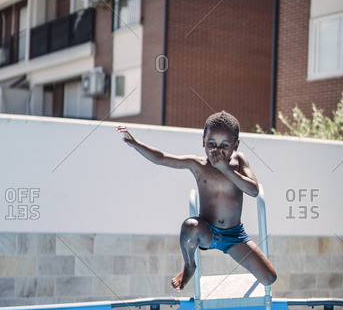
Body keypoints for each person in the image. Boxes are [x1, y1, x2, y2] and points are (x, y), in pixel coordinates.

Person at [116, 111, 277, 291]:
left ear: (236, 145)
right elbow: (161, 158)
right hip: (207, 231)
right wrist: (136, 144)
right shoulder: (198, 165)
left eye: (224, 145)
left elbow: (253, 190)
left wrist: (225, 168)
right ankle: (189, 265)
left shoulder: (239, 161)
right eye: (211, 144)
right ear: (203, 142)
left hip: (235, 236)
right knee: (189, 226)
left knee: (269, 278)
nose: (216, 150)